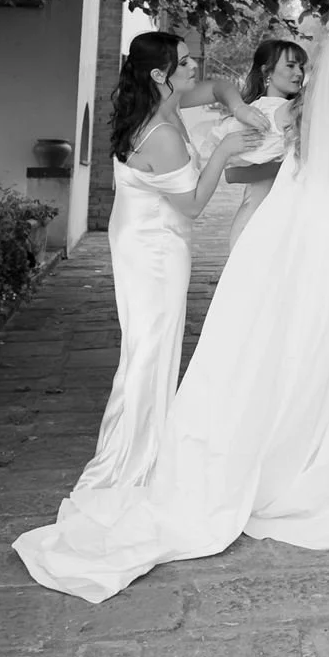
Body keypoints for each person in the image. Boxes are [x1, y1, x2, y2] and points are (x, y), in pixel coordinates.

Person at [14, 24, 329, 601]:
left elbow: (256, 161)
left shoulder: (298, 117)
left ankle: (285, 453)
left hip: (304, 244)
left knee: (299, 348)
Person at [67, 33, 264, 492]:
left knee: (147, 344)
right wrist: (225, 149)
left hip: (144, 237)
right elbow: (192, 205)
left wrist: (239, 107)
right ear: (160, 74)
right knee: (150, 347)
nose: (194, 66)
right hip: (153, 249)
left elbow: (220, 87)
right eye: (184, 62)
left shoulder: (166, 101)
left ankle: (147, 439)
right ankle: (135, 454)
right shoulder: (163, 135)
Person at [223, 37, 307, 250]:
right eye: (290, 66)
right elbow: (233, 173)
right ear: (267, 71)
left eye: (301, 66)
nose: (299, 73)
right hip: (262, 222)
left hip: (267, 218)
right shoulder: (274, 111)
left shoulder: (255, 109)